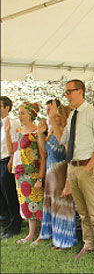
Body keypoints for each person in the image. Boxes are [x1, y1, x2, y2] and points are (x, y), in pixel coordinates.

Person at [60, 79, 94, 264]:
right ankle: (89, 244)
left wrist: (89, 167)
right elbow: (64, 138)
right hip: (73, 167)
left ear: (80, 91)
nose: (66, 95)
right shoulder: (72, 114)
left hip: (87, 167)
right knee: (81, 211)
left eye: (69, 91)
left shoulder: (93, 114)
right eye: (65, 92)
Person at [38, 100, 78, 250]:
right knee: (52, 205)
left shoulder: (66, 132)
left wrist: (53, 119)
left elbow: (63, 143)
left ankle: (65, 240)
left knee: (62, 206)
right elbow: (44, 149)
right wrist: (40, 133)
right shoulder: (53, 130)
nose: (55, 117)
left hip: (61, 172)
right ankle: (55, 237)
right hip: (51, 173)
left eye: (58, 115)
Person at [5, 102, 46, 245]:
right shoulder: (19, 132)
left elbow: (43, 156)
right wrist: (6, 132)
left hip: (33, 174)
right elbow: (12, 151)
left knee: (37, 204)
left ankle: (42, 234)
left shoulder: (36, 133)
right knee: (26, 204)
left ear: (31, 114)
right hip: (20, 174)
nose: (20, 116)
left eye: (23, 113)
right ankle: (31, 233)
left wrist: (40, 178)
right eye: (19, 112)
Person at [0, 96, 22, 238]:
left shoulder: (13, 124)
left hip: (7, 161)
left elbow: (15, 146)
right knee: (1, 196)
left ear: (7, 107)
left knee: (10, 195)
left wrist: (11, 161)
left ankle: (14, 226)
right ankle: (5, 222)